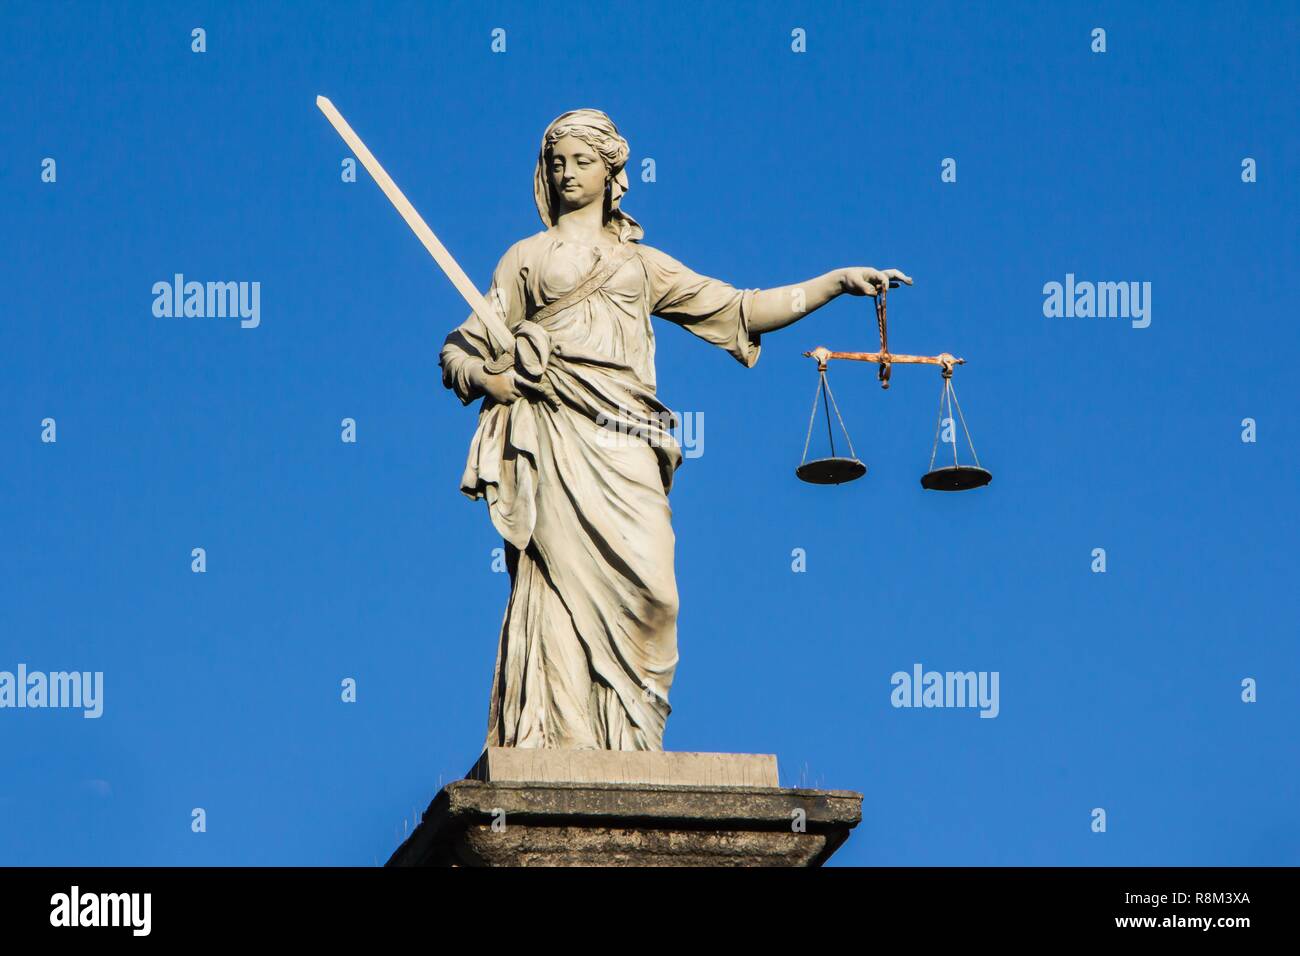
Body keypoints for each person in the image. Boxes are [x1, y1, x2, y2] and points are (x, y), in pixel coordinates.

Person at [439, 108, 909, 751]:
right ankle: (565, 738)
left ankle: (632, 737)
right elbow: (458, 351)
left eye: (582, 161)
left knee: (655, 598)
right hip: (554, 432)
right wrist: (488, 381)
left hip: (628, 438)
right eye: (558, 163)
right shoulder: (524, 258)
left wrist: (832, 284)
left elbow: (740, 308)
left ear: (612, 173)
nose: (569, 173)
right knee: (556, 586)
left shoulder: (643, 266)